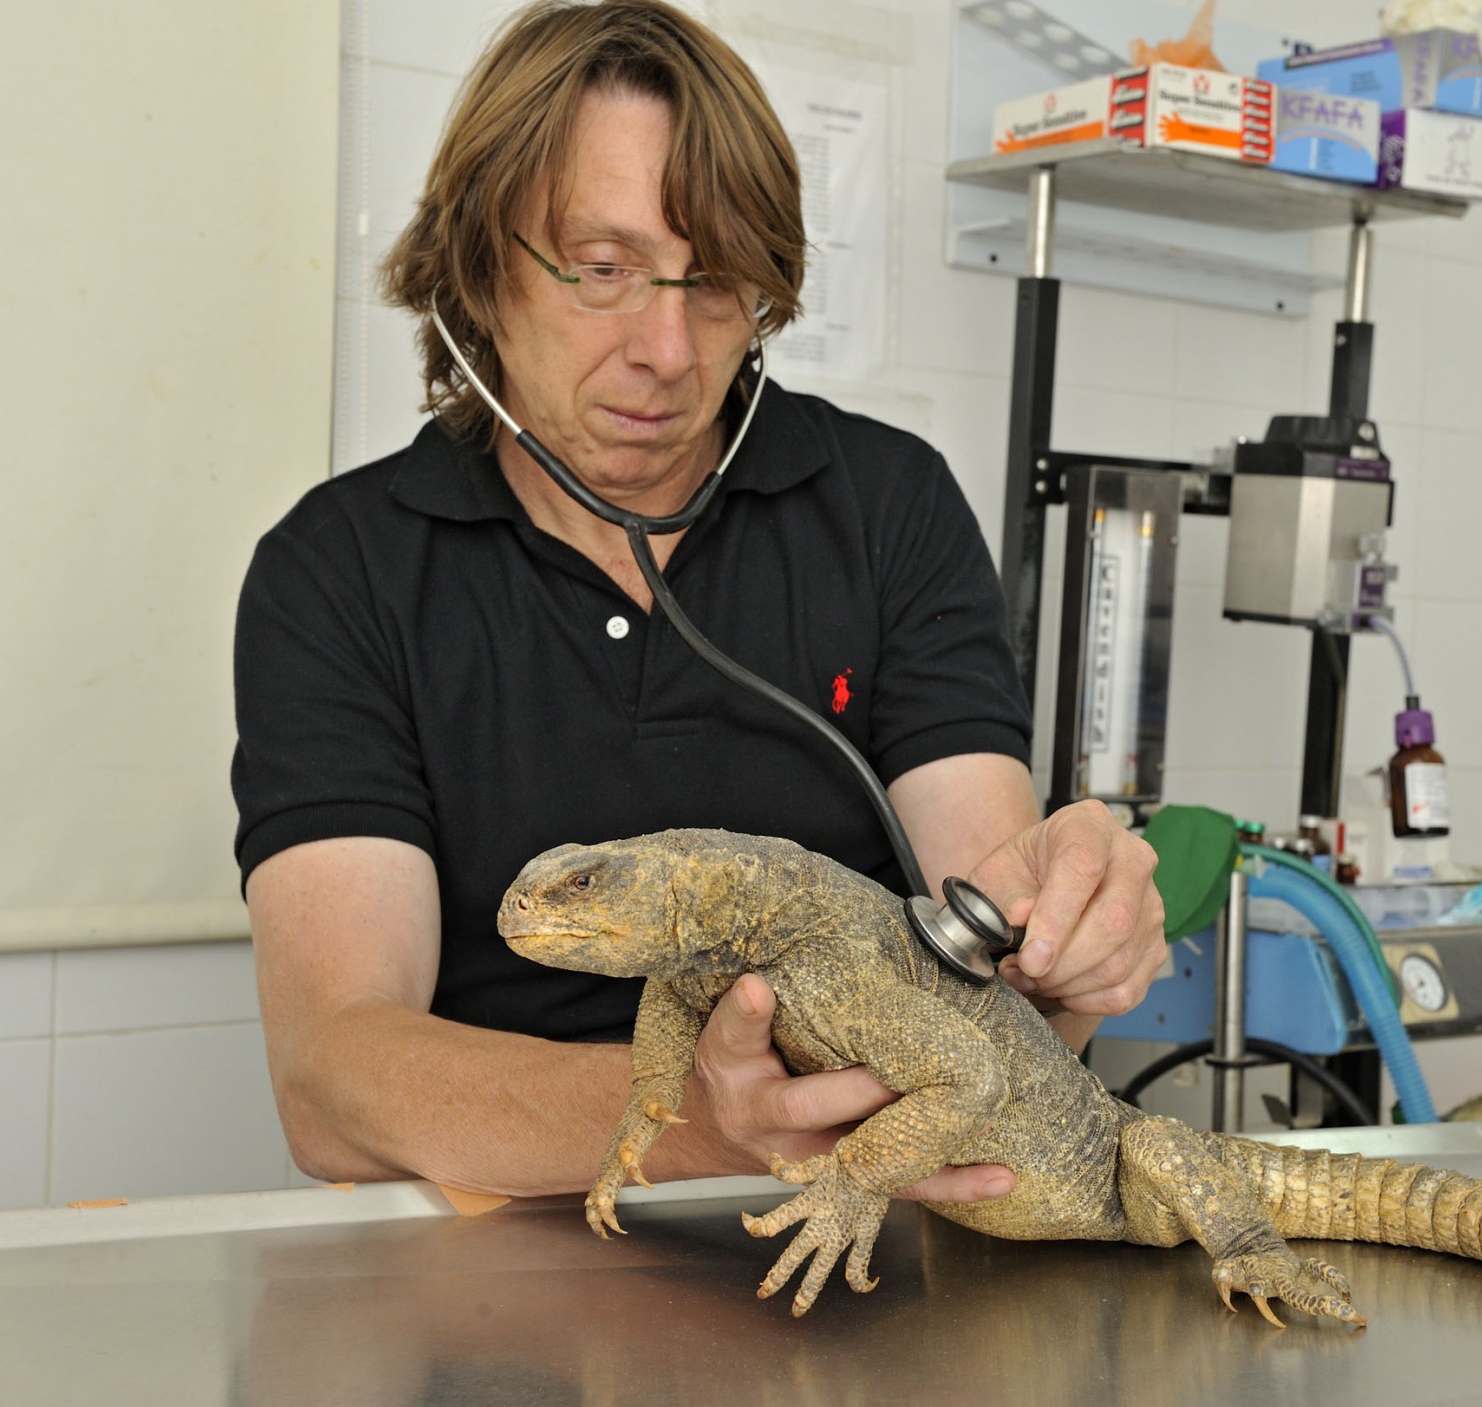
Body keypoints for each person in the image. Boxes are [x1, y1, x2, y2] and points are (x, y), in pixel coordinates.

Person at [233, 0, 1166, 1203]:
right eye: (604, 269)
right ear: (478, 269)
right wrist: (703, 1123)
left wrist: (1068, 943)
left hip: (856, 1239)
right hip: (501, 1258)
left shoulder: (885, 505)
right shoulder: (340, 570)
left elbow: (995, 980)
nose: (668, 349)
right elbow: (332, 1083)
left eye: (715, 282)